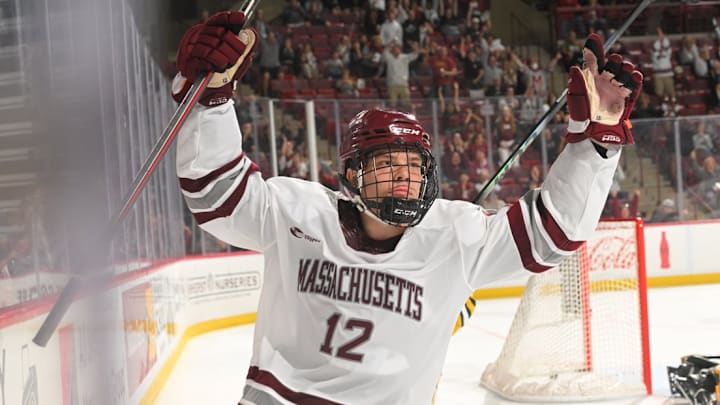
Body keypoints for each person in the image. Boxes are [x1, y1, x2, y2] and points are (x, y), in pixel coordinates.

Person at [172, 15, 643, 404]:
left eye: (414, 165)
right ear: (353, 174)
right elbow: (215, 196)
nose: (405, 175)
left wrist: (595, 146)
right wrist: (210, 100)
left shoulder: (453, 234)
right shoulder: (299, 210)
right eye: (387, 163)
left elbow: (553, 234)